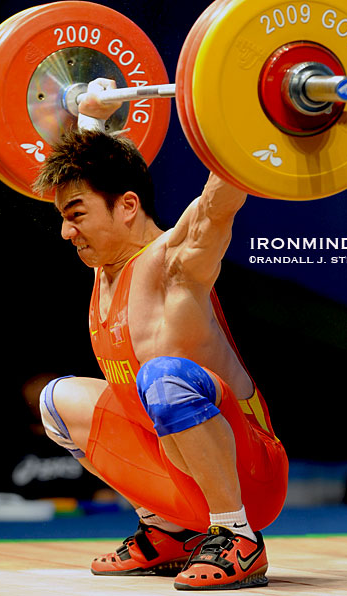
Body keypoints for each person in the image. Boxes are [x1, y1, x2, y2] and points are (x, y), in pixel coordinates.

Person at [34, 79, 289, 591]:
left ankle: (237, 537)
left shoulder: (178, 263)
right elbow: (94, 171)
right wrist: (89, 115)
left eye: (76, 216)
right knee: (56, 400)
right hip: (175, 471)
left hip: (251, 476)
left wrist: (243, 107)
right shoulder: (106, 265)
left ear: (127, 206)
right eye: (65, 217)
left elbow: (219, 202)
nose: (66, 232)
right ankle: (168, 532)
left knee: (163, 377)